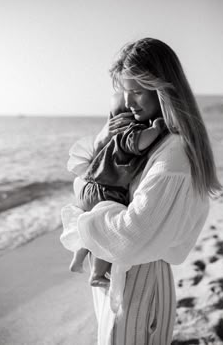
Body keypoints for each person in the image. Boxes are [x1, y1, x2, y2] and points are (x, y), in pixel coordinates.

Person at [60, 38, 222, 345]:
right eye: (124, 91)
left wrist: (90, 209)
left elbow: (131, 234)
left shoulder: (174, 153)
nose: (129, 101)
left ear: (162, 91)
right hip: (120, 275)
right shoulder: (146, 137)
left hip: (137, 280)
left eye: (136, 91)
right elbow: (91, 172)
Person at [67, 91, 168, 287]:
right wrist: (156, 128)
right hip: (105, 193)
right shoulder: (128, 133)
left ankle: (78, 259)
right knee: (106, 233)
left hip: (90, 188)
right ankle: (96, 274)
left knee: (91, 226)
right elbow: (139, 141)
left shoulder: (108, 139)